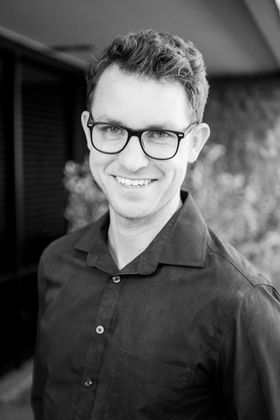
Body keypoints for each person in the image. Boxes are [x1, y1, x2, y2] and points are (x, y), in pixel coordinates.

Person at [31, 29, 280, 420]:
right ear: (88, 131)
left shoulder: (242, 305)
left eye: (160, 134)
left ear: (194, 143)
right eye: (112, 129)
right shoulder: (55, 262)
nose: (131, 161)